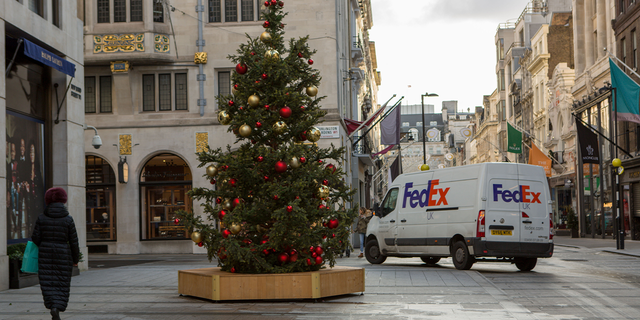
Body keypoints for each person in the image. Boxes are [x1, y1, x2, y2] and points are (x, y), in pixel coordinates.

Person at [31, 187, 80, 320]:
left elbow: (35, 238)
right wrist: (76, 259)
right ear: (63, 201)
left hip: (45, 254)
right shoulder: (68, 219)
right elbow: (74, 241)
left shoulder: (41, 218)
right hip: (63, 254)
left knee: (48, 282)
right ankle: (57, 307)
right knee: (61, 282)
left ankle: (52, 306)